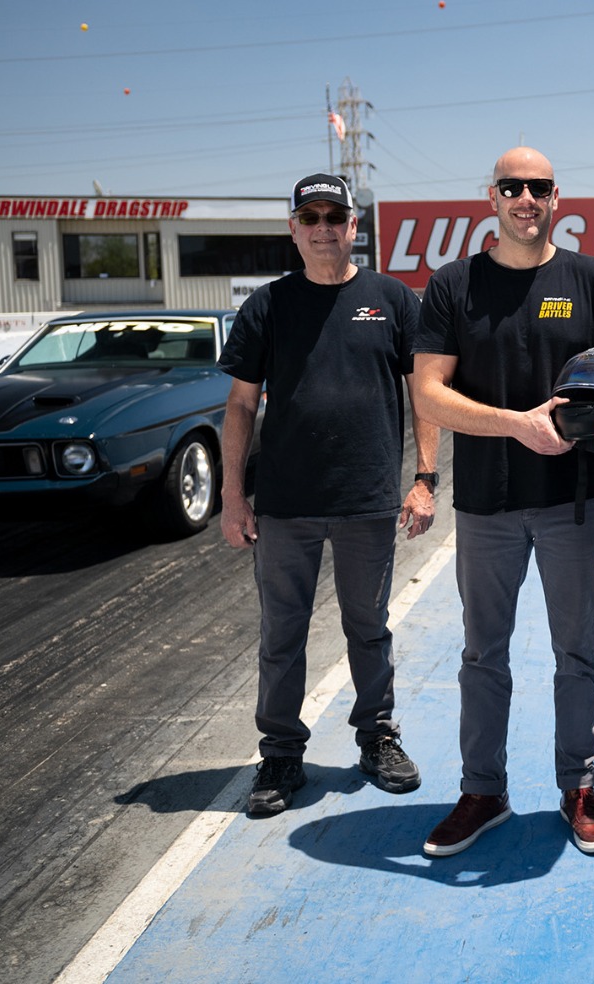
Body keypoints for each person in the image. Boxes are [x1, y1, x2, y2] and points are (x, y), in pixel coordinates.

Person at [412, 147, 594, 857]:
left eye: (539, 187)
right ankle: (483, 792)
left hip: (572, 502)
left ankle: (579, 786)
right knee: (483, 654)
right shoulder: (454, 286)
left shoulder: (592, 278)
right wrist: (515, 425)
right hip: (486, 501)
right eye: (513, 186)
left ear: (555, 197)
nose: (526, 198)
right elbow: (428, 393)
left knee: (576, 651)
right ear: (493, 196)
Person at [218, 172, 439, 817]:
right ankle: (282, 752)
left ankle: (377, 737)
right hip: (286, 504)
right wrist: (233, 496)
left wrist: (424, 479)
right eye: (309, 218)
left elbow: (423, 393)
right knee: (282, 633)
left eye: (334, 217)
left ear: (352, 226)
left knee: (368, 627)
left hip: (367, 499)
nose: (323, 229)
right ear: (293, 228)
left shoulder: (393, 299)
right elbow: (238, 405)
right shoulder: (267, 305)